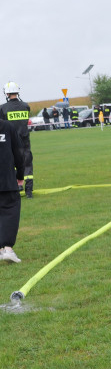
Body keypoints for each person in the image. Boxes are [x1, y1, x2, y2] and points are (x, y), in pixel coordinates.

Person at [0, 109, 25, 262]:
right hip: (7, 181)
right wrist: (20, 175)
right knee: (10, 210)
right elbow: (19, 152)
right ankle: (7, 248)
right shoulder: (8, 127)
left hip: (7, 180)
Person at [0, 82, 33, 197]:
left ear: (7, 93)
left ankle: (17, 187)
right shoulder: (26, 106)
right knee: (27, 165)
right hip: (25, 141)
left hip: (10, 142)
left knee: (11, 164)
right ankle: (29, 192)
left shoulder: (3, 108)